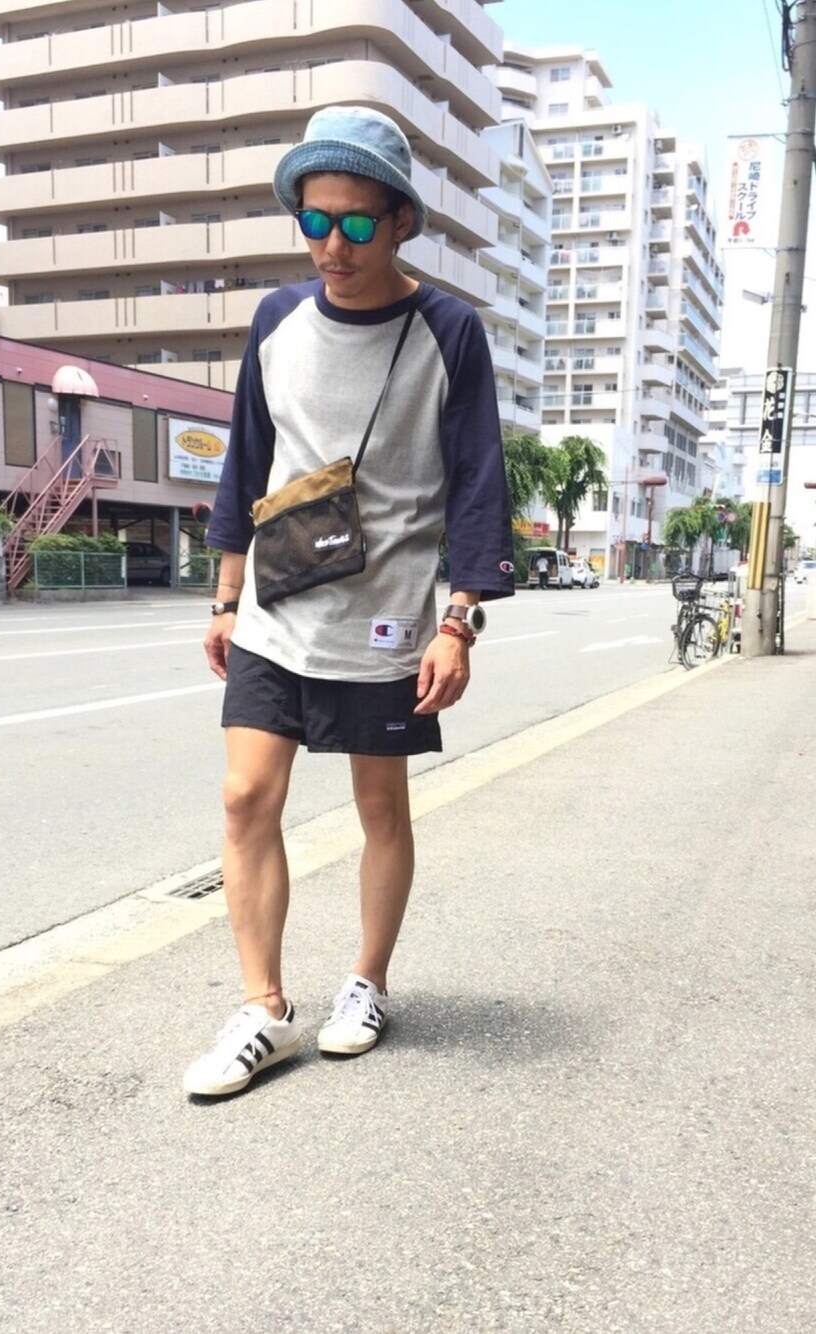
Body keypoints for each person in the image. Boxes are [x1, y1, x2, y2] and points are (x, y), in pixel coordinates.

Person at [183, 105, 514, 1098]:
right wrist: (225, 594)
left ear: (401, 221)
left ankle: (366, 982)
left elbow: (477, 481)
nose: (333, 244)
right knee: (245, 795)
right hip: (277, 601)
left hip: (387, 615)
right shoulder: (277, 319)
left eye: (358, 222)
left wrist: (459, 620)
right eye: (315, 220)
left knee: (379, 804)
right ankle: (263, 1008)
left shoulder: (447, 330)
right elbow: (247, 456)